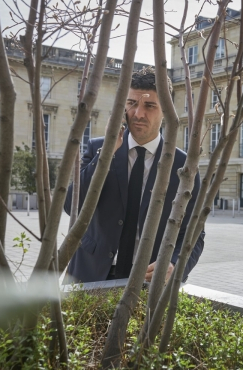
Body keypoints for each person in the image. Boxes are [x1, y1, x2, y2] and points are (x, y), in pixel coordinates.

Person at [63, 67, 205, 284]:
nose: (138, 114)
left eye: (149, 105)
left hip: (147, 279)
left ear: (166, 110)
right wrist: (107, 153)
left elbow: (194, 235)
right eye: (131, 104)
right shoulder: (97, 149)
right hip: (89, 273)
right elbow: (70, 204)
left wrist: (174, 264)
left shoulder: (183, 167)